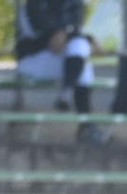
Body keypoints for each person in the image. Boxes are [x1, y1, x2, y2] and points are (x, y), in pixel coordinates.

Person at [15, 1, 109, 145]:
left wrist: (77, 37)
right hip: (33, 58)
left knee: (81, 52)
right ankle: (83, 118)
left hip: (59, 60)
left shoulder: (75, 4)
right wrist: (86, 38)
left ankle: (70, 98)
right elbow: (48, 36)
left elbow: (70, 33)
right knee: (81, 56)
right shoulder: (35, 4)